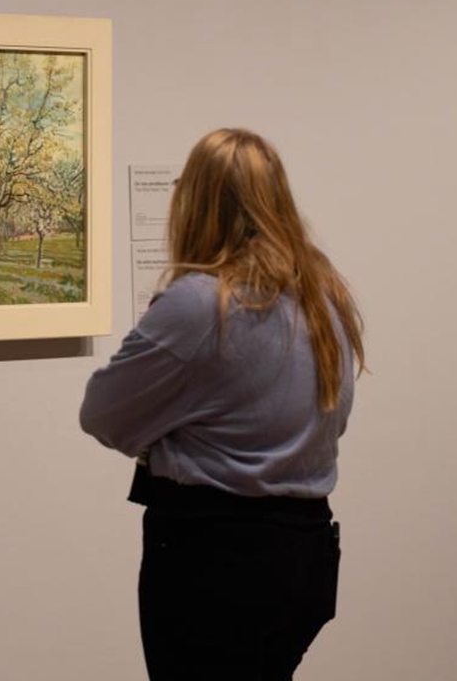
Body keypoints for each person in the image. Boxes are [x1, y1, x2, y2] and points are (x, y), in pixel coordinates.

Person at [79, 128, 365, 681]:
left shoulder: (198, 304)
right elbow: (336, 417)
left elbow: (102, 414)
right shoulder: (325, 294)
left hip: (215, 561)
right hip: (303, 553)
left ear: (195, 203)